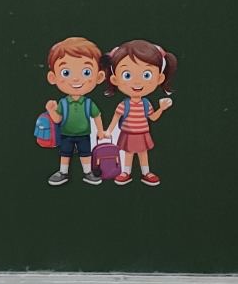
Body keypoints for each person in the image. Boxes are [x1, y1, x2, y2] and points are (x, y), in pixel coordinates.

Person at [105, 39, 176, 185]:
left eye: (146, 75)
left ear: (159, 78)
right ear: (115, 79)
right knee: (129, 153)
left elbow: (153, 117)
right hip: (128, 133)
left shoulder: (146, 103)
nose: (137, 82)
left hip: (143, 133)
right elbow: (115, 118)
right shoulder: (123, 104)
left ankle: (146, 172)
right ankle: (126, 172)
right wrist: (108, 131)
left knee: (143, 154)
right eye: (127, 75)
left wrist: (161, 108)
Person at [43, 36, 107, 185]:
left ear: (99, 77)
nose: (76, 79)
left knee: (86, 154)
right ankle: (63, 172)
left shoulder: (88, 103)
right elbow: (58, 119)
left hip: (84, 134)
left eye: (86, 72)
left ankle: (87, 172)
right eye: (66, 72)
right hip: (66, 134)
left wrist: (100, 131)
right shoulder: (63, 103)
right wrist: (51, 111)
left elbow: (97, 115)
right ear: (53, 77)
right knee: (65, 154)